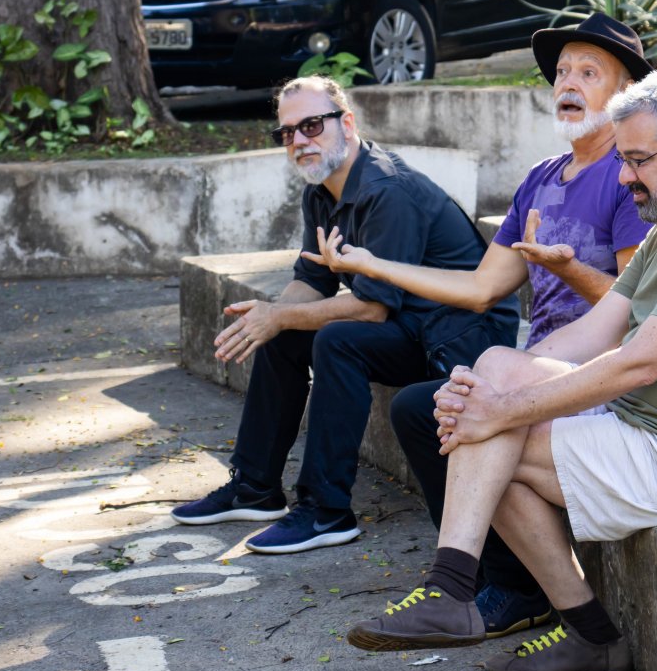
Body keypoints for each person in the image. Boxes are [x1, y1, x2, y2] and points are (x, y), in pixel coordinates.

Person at [342, 71, 657, 671]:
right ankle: (462, 592)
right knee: (494, 371)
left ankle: (520, 611)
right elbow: (596, 333)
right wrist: (489, 386)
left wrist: (502, 409)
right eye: (623, 161)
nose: (624, 177)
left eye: (638, 160)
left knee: (492, 435)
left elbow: (639, 362)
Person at [304, 12, 653, 639]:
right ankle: (494, 580)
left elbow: (636, 306)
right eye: (562, 72)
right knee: (421, 408)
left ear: (624, 93)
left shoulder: (627, 178)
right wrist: (371, 264)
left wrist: (570, 270)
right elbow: (481, 288)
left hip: (599, 377)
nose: (568, 83)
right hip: (537, 364)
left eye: (589, 72)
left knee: (463, 408)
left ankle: (509, 590)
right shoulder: (541, 178)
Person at [170, 75, 518, 555]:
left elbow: (371, 308)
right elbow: (311, 282)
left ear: (347, 123)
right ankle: (254, 487)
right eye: (287, 132)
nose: (299, 140)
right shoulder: (321, 190)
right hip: (409, 325)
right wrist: (266, 317)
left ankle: (325, 511)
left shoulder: (387, 190)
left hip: (460, 337)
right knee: (283, 330)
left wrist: (280, 316)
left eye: (311, 125)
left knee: (335, 339)